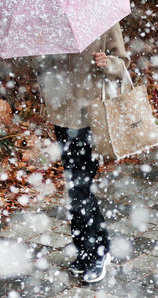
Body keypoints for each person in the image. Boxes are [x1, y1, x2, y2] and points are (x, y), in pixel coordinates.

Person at [32, 23, 130, 283]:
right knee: (75, 186)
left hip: (92, 117)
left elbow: (122, 65)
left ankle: (94, 252)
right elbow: (40, 67)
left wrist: (107, 62)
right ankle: (95, 248)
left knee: (79, 188)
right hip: (63, 116)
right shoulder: (49, 21)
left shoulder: (102, 18)